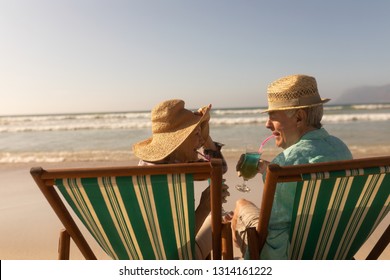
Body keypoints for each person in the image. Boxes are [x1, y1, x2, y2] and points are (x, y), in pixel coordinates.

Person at [231, 74, 353, 259]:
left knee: (241, 205)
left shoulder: (286, 162)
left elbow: (273, 226)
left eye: (273, 116)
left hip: (286, 255)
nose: (267, 124)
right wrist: (266, 169)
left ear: (299, 117)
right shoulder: (340, 148)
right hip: (333, 249)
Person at [132, 99, 230, 259]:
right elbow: (175, 245)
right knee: (220, 219)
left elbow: (220, 168)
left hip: (139, 257)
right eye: (197, 135)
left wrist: (202, 131)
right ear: (178, 141)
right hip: (171, 260)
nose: (201, 141)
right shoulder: (165, 179)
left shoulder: (166, 162)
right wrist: (205, 206)